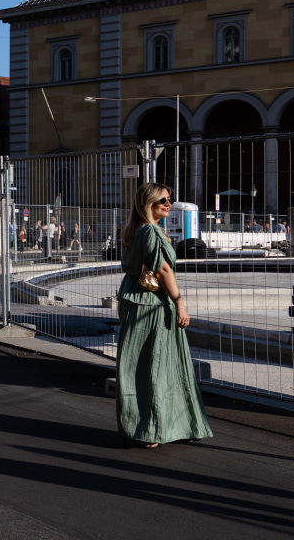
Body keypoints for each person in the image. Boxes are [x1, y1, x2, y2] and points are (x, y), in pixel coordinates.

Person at [116, 183, 211, 448]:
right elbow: (164, 270)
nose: (169, 204)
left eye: (170, 199)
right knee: (158, 364)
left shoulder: (135, 230)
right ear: (148, 204)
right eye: (163, 201)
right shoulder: (151, 231)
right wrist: (180, 303)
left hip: (135, 299)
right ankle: (152, 428)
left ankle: (163, 424)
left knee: (142, 364)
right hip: (151, 304)